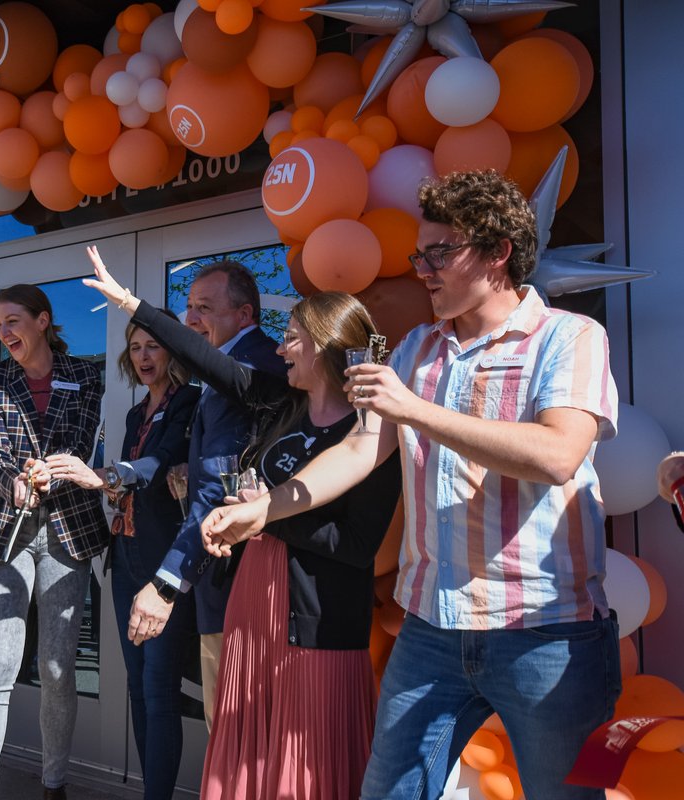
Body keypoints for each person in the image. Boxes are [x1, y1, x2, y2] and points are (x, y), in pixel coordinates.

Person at [203, 170, 621, 800]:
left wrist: (415, 411)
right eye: (418, 255)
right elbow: (360, 447)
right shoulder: (416, 349)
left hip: (546, 626)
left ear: (498, 252)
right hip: (430, 627)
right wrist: (265, 508)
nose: (423, 269)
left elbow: (558, 454)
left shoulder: (570, 336)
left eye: (440, 253)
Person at [91, 249, 405, 797]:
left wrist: (267, 518)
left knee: (301, 765)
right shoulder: (282, 406)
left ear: (328, 345)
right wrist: (133, 306)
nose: (280, 347)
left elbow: (357, 546)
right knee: (246, 751)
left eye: (294, 338)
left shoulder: (369, 433)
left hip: (316, 619)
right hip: (252, 604)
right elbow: (213, 363)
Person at [98, 254, 287, 728]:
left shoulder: (250, 365)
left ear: (244, 315)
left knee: (236, 729)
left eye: (205, 307)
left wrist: (166, 583)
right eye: (189, 307)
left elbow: (216, 495)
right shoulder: (229, 367)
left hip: (239, 578)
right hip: (221, 575)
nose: (192, 320)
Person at [46, 312, 200, 800]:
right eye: (135, 349)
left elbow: (157, 463)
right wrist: (115, 491)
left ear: (174, 350)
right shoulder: (136, 413)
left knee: (158, 689)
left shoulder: (191, 403)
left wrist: (104, 477)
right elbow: (142, 481)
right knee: (136, 684)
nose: (144, 357)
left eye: (153, 346)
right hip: (125, 556)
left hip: (165, 562)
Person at [0, 283, 109, 800]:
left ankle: (54, 783)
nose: (5, 333)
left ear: (43, 321)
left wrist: (50, 472)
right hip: (6, 531)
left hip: (67, 530)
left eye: (13, 322)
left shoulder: (83, 376)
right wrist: (20, 482)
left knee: (56, 667)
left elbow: (81, 436)